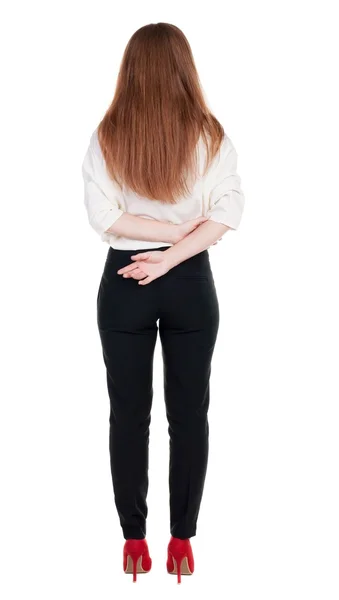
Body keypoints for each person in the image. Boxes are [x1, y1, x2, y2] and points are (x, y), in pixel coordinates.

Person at [81, 22, 245, 584]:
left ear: (131, 69)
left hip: (126, 279)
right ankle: (180, 542)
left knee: (128, 416)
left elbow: (104, 217)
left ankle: (133, 543)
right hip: (190, 282)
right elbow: (227, 211)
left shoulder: (108, 134)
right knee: (189, 415)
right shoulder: (209, 133)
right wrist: (178, 244)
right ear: (184, 66)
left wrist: (155, 249)